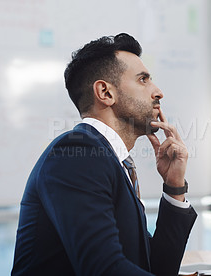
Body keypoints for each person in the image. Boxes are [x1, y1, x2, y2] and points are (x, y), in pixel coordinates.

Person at [11, 33, 197, 276]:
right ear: (105, 93)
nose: (158, 92)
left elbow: (155, 268)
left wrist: (174, 186)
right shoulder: (77, 154)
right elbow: (103, 269)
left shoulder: (112, 162)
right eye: (143, 80)